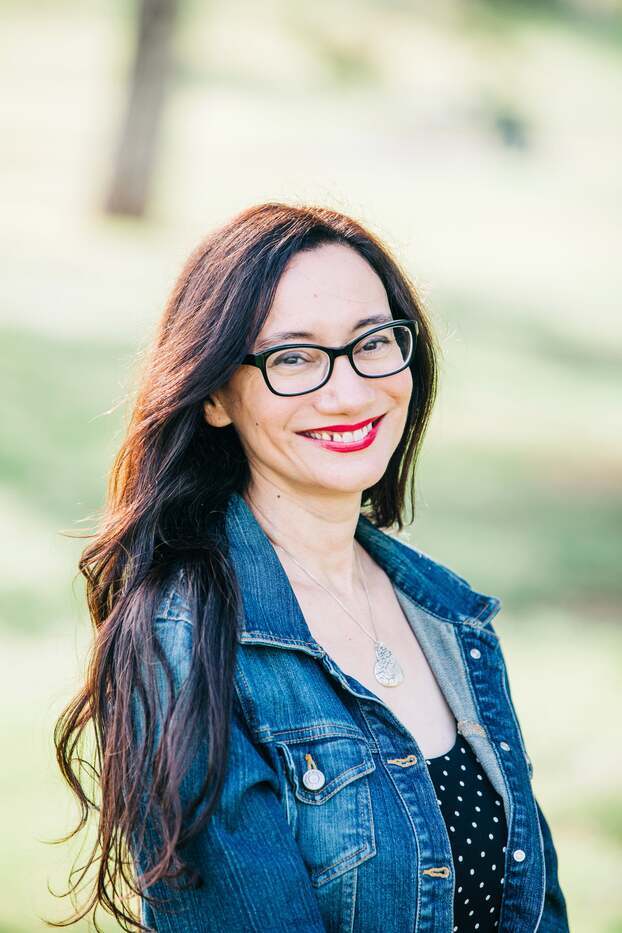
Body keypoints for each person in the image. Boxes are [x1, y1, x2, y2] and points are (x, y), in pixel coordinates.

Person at [53, 202, 569, 932]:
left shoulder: (449, 616)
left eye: (373, 342)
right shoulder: (186, 643)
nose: (350, 391)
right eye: (293, 357)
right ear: (216, 396)